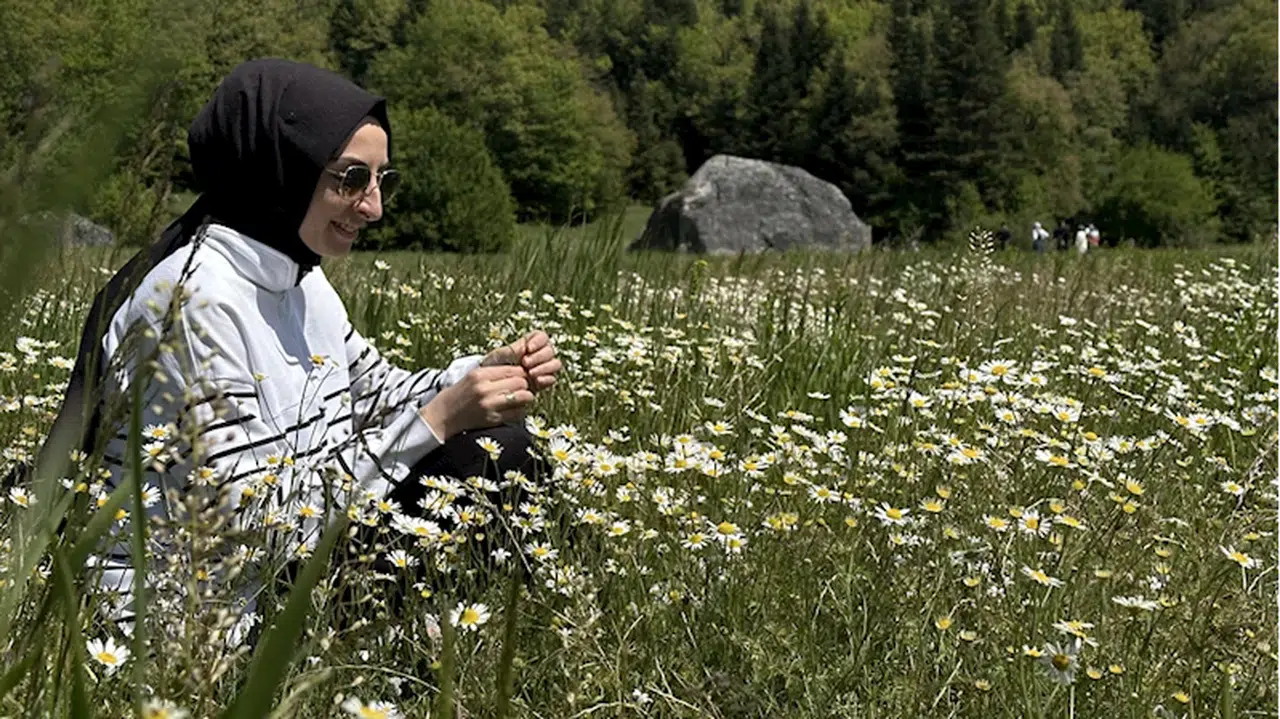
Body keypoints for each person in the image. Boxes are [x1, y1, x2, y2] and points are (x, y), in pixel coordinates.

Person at [37, 59, 563, 624]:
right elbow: (252, 524)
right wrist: (437, 419)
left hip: (280, 562)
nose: (374, 207)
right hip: (194, 609)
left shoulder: (297, 277)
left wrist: (476, 378)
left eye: (383, 180)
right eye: (352, 179)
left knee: (498, 450)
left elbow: (374, 394)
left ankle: (492, 636)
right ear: (281, 169)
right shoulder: (193, 303)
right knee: (478, 454)